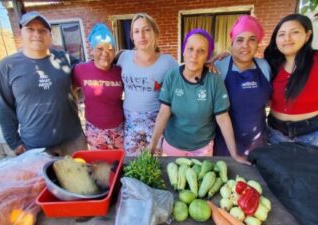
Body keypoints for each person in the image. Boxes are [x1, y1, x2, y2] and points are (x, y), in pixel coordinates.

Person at [147, 29, 249, 165]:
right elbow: (164, 113)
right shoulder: (172, 76)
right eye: (190, 49)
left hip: (202, 148)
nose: (194, 55)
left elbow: (223, 119)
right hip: (173, 145)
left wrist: (234, 154)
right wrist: (152, 145)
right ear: (183, 51)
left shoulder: (214, 80)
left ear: (207, 56)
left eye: (201, 51)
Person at [0, 11, 87, 156]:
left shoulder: (64, 59)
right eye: (30, 29)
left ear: (50, 35)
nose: (37, 34)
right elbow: (4, 108)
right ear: (21, 33)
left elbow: (89, 73)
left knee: (83, 177)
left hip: (73, 142)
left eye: (42, 30)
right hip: (35, 147)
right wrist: (14, 142)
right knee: (43, 180)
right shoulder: (7, 66)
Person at [264, 14, 318, 149]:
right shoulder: (270, 64)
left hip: (314, 134)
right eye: (281, 34)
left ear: (308, 35)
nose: (287, 38)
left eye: (295, 32)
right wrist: (225, 58)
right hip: (275, 134)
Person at [116, 13, 177, 156]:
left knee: (155, 167)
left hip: (156, 125)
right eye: (136, 31)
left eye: (147, 30)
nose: (141, 35)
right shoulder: (123, 57)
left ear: (155, 33)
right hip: (130, 125)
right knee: (133, 166)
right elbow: (102, 65)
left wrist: (209, 64)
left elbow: (188, 76)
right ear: (132, 36)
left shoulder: (168, 62)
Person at [214, 15, 272, 156]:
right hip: (224, 144)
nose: (245, 45)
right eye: (239, 40)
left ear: (258, 43)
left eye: (252, 39)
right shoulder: (218, 66)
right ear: (232, 44)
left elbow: (270, 100)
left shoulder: (264, 66)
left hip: (257, 143)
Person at [72, 23, 124, 150]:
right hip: (94, 130)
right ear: (92, 50)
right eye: (100, 48)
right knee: (99, 165)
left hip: (119, 130)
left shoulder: (120, 71)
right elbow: (71, 91)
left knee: (119, 165)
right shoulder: (81, 70)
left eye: (110, 49)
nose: (105, 53)